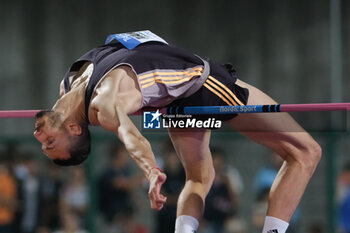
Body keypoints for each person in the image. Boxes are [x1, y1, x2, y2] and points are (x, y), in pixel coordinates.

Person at [33, 30, 322, 233]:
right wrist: (150, 172)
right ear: (73, 128)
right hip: (204, 86)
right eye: (50, 144)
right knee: (306, 152)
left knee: (198, 178)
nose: (39, 138)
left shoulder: (68, 85)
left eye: (45, 144)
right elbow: (131, 136)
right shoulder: (104, 102)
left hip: (176, 101)